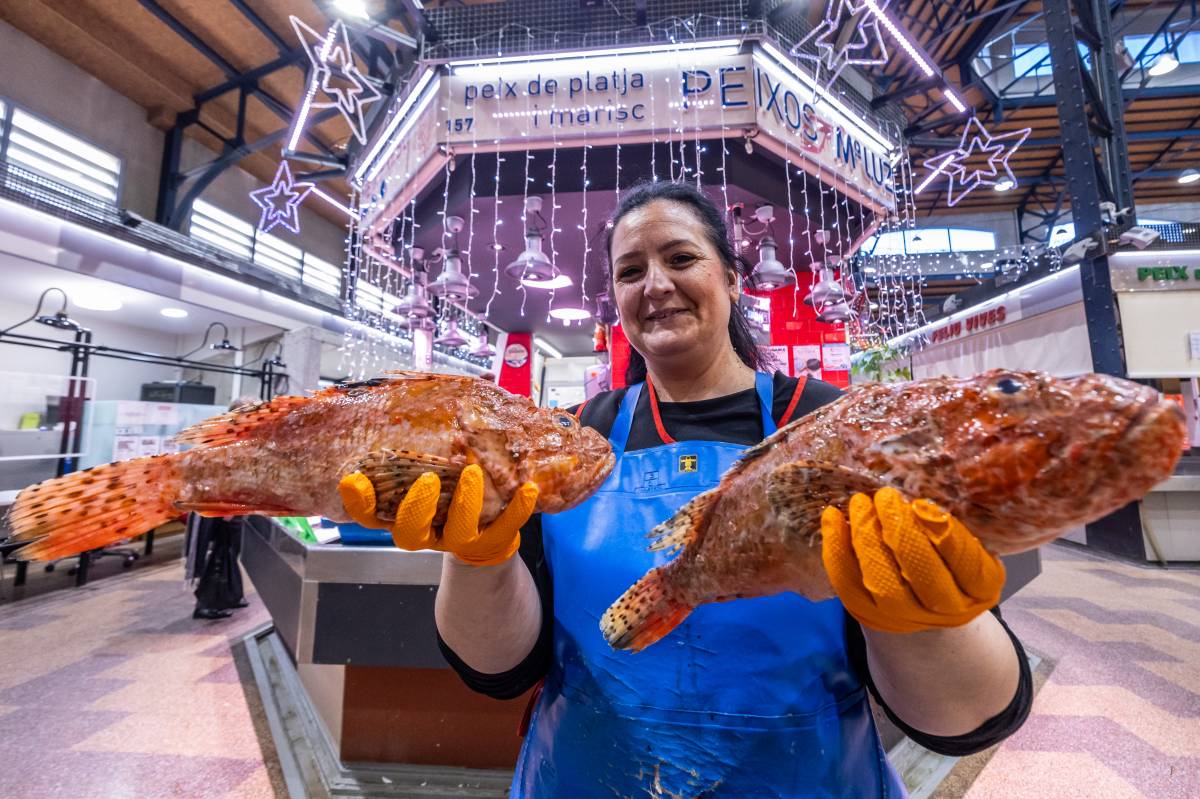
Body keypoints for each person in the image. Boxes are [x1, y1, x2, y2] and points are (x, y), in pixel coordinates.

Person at [340, 182, 1032, 796]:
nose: (655, 284)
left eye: (679, 258)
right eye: (630, 270)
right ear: (614, 300)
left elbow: (968, 717)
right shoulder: (567, 444)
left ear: (733, 278)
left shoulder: (835, 428)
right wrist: (480, 557)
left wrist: (920, 616)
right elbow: (499, 668)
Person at [185, 396, 255, 620]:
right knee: (219, 551)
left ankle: (231, 595)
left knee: (229, 550)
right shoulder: (223, 439)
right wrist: (226, 509)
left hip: (228, 505)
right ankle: (206, 602)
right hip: (217, 506)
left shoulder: (235, 438)